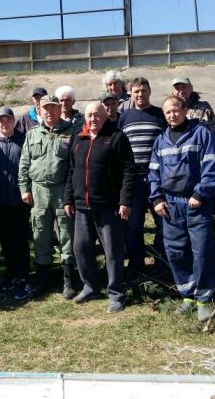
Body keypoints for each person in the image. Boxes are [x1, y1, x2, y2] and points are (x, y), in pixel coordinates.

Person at [148, 96, 215, 321]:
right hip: (170, 205)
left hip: (195, 202)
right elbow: (153, 173)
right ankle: (187, 296)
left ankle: (203, 299)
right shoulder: (160, 141)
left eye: (175, 110)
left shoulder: (202, 134)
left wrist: (201, 194)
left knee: (201, 250)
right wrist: (157, 199)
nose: (172, 115)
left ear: (185, 110)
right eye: (168, 112)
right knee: (176, 251)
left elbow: (213, 166)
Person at [64, 102, 135, 313]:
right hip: (81, 206)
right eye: (89, 115)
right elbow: (71, 172)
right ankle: (90, 286)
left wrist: (125, 201)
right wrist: (68, 199)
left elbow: (128, 172)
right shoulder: (79, 139)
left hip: (107, 205)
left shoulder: (116, 137)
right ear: (84, 118)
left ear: (105, 116)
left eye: (97, 114)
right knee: (81, 248)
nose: (93, 118)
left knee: (112, 252)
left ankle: (116, 293)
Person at [18, 95, 78, 299]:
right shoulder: (32, 134)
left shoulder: (71, 132)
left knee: (66, 232)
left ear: (59, 109)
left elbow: (74, 166)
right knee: (40, 232)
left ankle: (68, 279)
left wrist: (71, 194)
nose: (49, 112)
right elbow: (24, 163)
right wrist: (24, 188)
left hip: (62, 190)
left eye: (53, 108)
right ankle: (43, 278)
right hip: (38, 191)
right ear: (39, 110)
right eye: (46, 108)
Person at [116, 77, 167, 277]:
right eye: (136, 91)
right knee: (134, 225)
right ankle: (136, 264)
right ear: (131, 94)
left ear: (149, 91)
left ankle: (160, 260)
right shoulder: (124, 117)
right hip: (133, 180)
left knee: (163, 222)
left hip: (157, 179)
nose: (140, 94)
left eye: (143, 90)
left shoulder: (159, 115)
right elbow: (118, 147)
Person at [0, 107, 31, 299]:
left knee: (20, 240)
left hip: (19, 200)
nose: (5, 124)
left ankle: (23, 277)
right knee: (5, 241)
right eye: (1, 121)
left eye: (8, 120)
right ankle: (11, 274)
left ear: (14, 121)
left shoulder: (24, 140)